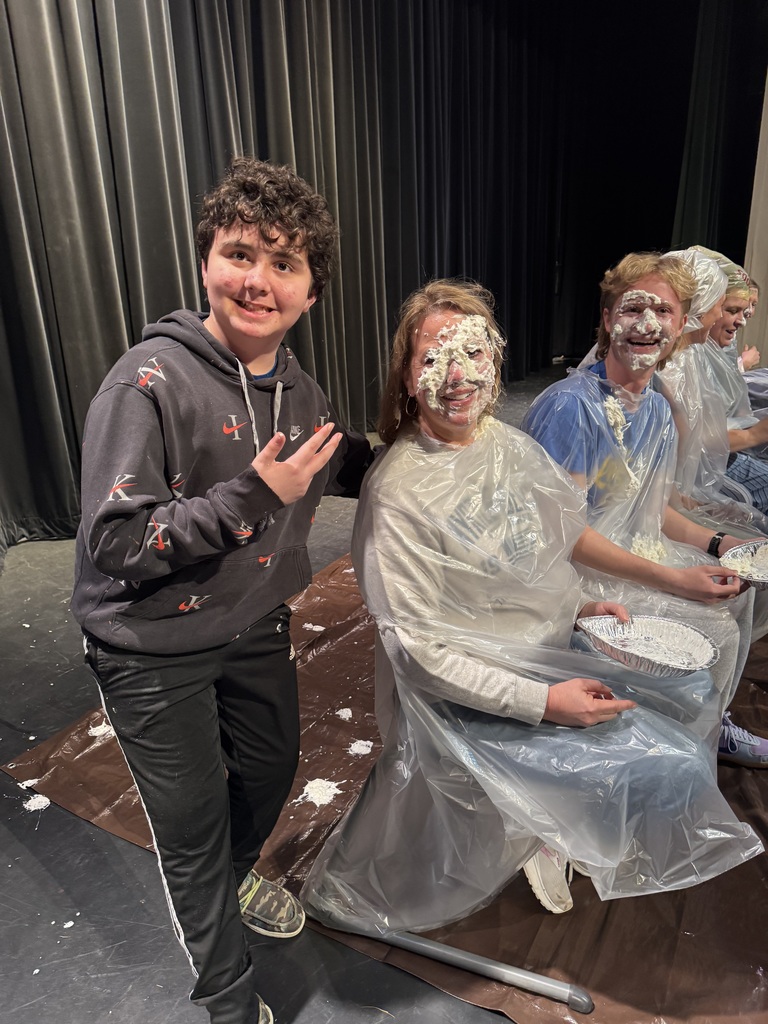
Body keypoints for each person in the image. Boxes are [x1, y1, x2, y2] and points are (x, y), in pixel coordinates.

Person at [300, 279, 761, 929]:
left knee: (689, 693)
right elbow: (420, 653)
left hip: (536, 648)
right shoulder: (398, 493)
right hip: (466, 692)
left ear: (498, 359)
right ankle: (546, 826)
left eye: (475, 351)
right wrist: (547, 702)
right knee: (674, 763)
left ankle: (554, 826)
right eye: (435, 356)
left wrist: (578, 604)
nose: (457, 374)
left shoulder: (507, 448)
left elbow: (541, 548)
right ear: (406, 377)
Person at [71, 158, 372, 1024]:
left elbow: (338, 456)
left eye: (285, 263)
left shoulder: (300, 392)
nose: (257, 279)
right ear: (207, 260)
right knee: (193, 834)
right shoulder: (148, 382)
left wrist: (430, 454)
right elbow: (116, 541)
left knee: (271, 773)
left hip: (248, 626)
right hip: (148, 647)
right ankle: (229, 1001)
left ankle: (237, 880)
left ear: (312, 291)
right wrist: (250, 499)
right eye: (241, 253)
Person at [523, 252, 768, 767]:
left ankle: (704, 730)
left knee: (733, 593)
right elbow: (562, 536)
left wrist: (721, 545)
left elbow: (650, 513)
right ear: (609, 319)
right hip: (571, 578)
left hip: (628, 552)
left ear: (682, 325)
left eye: (664, 312)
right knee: (716, 627)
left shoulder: (654, 407)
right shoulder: (572, 407)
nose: (647, 324)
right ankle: (679, 750)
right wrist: (673, 580)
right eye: (634, 309)